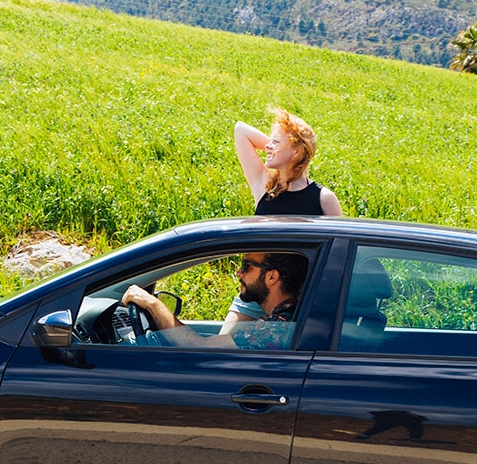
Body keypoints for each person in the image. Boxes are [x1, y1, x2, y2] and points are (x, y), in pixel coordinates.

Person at [225, 109, 340, 330]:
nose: (267, 145)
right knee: (219, 353)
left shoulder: (323, 198)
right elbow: (241, 130)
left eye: (275, 142)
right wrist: (278, 147)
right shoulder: (264, 185)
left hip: (298, 303)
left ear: (297, 151)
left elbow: (334, 257)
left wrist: (295, 147)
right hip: (254, 293)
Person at [122, 252, 308, 350]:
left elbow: (198, 347)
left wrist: (152, 304)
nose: (239, 273)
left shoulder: (272, 330)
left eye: (246, 267)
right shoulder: (289, 317)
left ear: (272, 277)